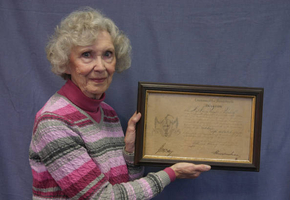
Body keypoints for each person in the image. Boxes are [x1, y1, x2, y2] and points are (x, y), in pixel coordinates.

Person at [29, 7, 211, 200]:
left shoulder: (108, 114)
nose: (100, 67)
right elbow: (103, 197)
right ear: (66, 63)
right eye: (86, 55)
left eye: (107, 54)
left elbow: (128, 185)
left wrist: (131, 152)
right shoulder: (54, 123)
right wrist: (171, 174)